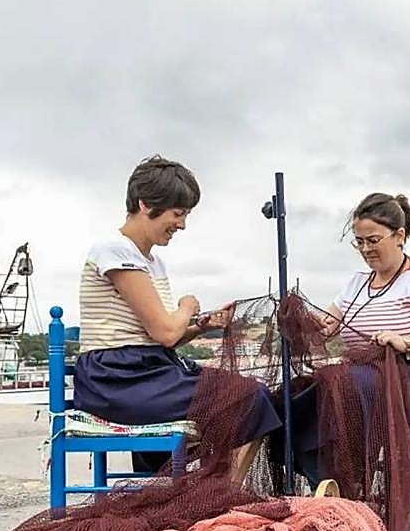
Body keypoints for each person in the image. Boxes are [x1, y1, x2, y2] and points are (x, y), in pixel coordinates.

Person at [73, 155, 280, 473]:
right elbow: (166, 333)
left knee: (255, 396)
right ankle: (216, 497)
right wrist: (187, 306)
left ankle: (213, 492)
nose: (182, 224)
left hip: (146, 370)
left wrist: (200, 326)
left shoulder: (152, 262)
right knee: (248, 397)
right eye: (178, 213)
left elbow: (160, 337)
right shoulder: (113, 250)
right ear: (146, 204)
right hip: (115, 379)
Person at [284, 192, 410, 488]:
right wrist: (308, 325)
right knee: (297, 396)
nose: (365, 249)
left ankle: (347, 484)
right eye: (359, 242)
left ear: (399, 235)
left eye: (373, 240)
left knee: (347, 390)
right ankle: (325, 483)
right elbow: (328, 328)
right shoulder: (355, 284)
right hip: (360, 382)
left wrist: (407, 342)